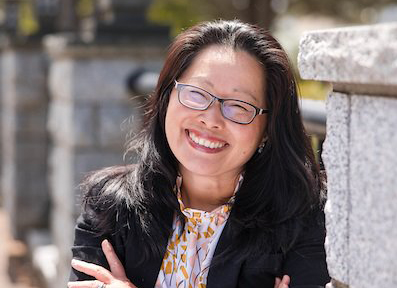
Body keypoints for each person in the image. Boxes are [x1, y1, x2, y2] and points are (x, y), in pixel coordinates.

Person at [67, 19, 330, 288]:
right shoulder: (109, 206)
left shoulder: (304, 218)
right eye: (196, 93)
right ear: (167, 98)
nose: (211, 119)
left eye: (239, 106)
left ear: (268, 128)